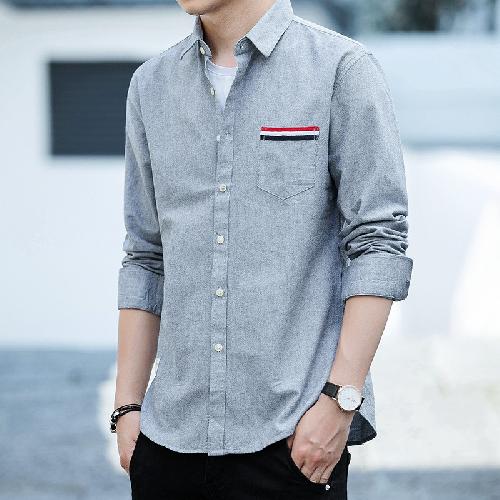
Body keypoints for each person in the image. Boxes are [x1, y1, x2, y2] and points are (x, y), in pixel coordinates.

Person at [112, 0, 414, 498]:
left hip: (292, 441)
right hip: (168, 444)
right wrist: (127, 408)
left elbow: (379, 242)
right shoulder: (151, 85)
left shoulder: (340, 69)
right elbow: (146, 255)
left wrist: (340, 401)